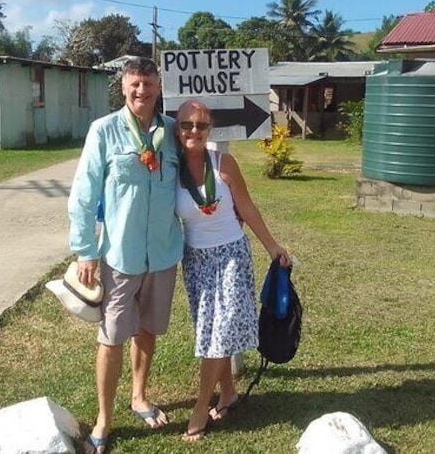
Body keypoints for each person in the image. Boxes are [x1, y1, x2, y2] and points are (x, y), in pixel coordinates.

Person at [68, 57, 184, 454]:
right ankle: (104, 416)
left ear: (158, 88)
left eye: (148, 85)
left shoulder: (172, 131)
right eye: (135, 84)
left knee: (148, 328)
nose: (141, 91)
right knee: (113, 336)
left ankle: (139, 395)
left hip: (163, 252)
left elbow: (198, 170)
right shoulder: (104, 131)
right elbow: (84, 194)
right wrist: (86, 250)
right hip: (120, 254)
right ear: (124, 87)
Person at [173, 99, 291, 442]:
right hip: (195, 260)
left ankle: (200, 407)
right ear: (176, 129)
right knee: (209, 329)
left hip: (231, 255)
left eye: (201, 125)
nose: (194, 131)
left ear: (210, 129)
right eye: (186, 125)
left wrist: (273, 246)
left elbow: (247, 207)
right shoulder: (170, 168)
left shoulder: (224, 163)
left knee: (220, 331)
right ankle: (228, 392)